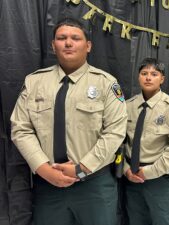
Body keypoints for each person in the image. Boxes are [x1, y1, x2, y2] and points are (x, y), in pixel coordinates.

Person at [10, 18, 127, 225]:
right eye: (61, 38)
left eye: (75, 38)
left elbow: (115, 132)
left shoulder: (106, 84)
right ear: (53, 45)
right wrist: (43, 168)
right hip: (48, 185)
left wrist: (82, 168)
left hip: (94, 186)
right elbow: (21, 129)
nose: (68, 43)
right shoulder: (34, 82)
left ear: (88, 45)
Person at [123, 58, 169, 225]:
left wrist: (149, 172)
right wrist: (125, 169)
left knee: (164, 220)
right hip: (131, 176)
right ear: (138, 77)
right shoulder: (128, 106)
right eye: (144, 73)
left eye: (154, 74)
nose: (148, 78)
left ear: (162, 79)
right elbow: (118, 142)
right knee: (136, 220)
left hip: (159, 178)